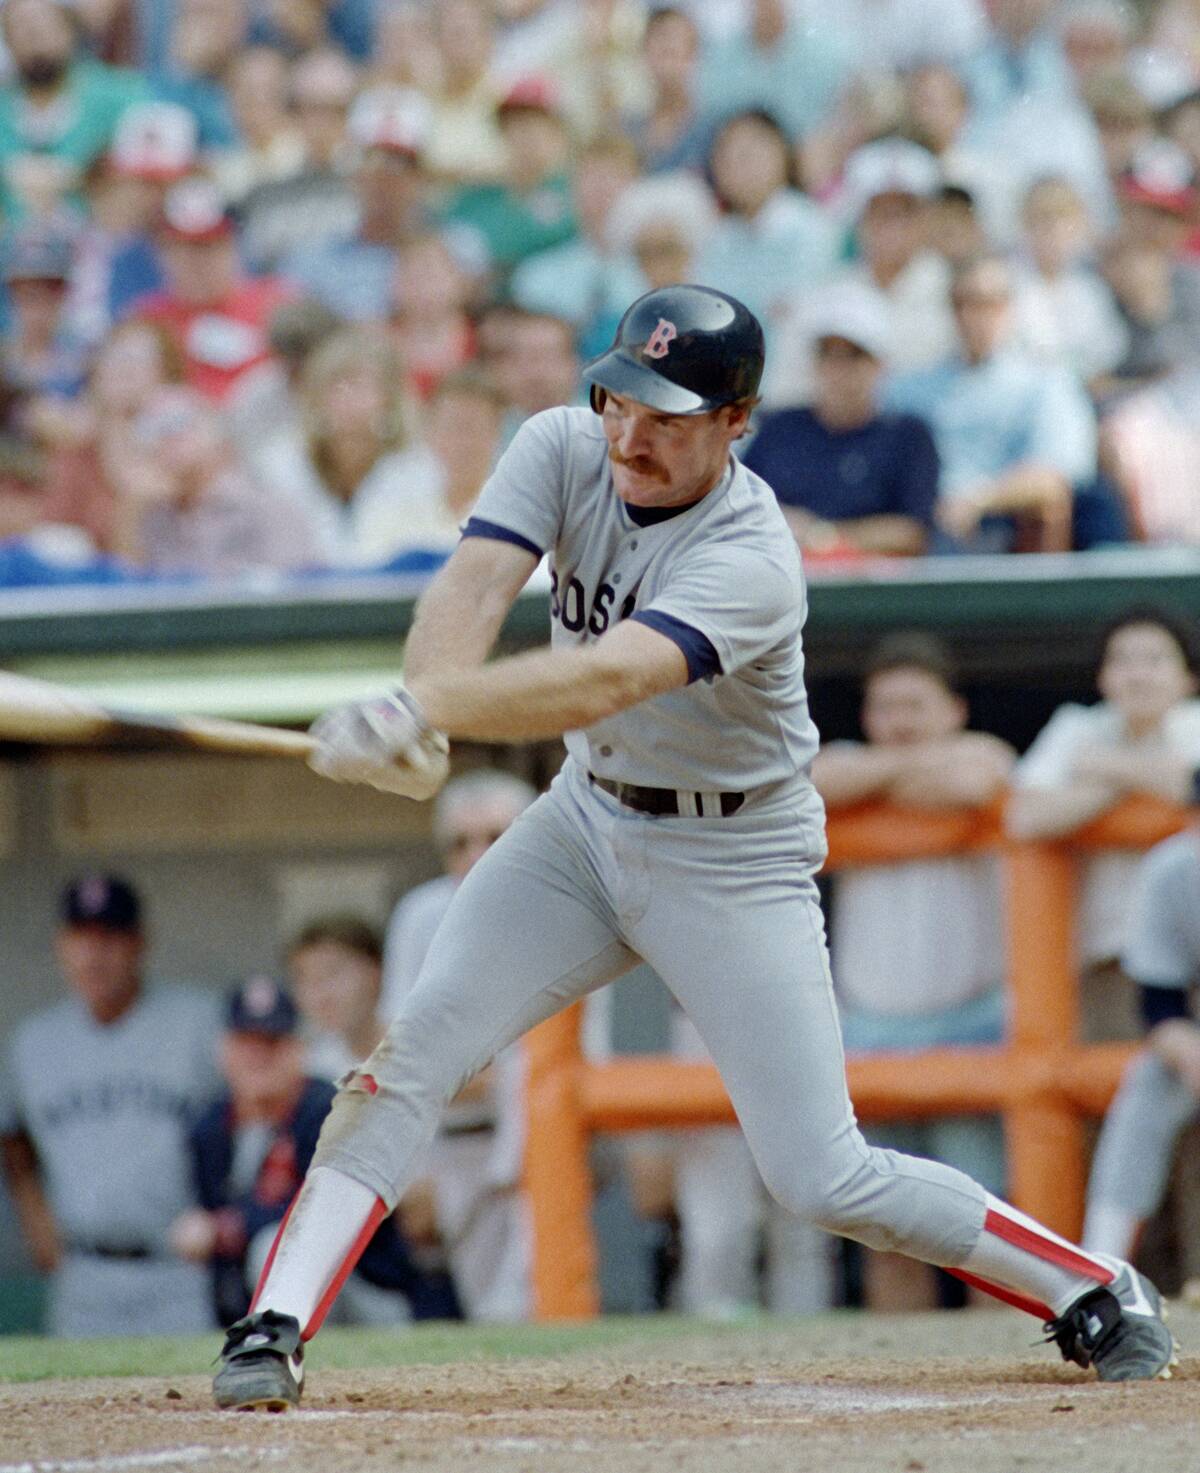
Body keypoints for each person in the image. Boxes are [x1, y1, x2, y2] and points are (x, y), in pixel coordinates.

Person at [211, 283, 1177, 1411]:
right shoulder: (561, 444)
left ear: (737, 421)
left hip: (735, 856)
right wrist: (421, 690)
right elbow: (476, 581)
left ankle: (1093, 1287)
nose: (632, 435)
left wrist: (437, 712)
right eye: (621, 399)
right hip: (585, 817)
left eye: (669, 416)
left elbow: (617, 669)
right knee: (406, 1059)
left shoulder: (756, 555)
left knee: (821, 1174)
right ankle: (272, 1328)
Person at [812, 633, 1015, 1310]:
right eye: (885, 706)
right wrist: (899, 770)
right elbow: (814, 779)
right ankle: (892, 1372)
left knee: (989, 1215)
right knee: (883, 1225)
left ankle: (1004, 1358)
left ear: (954, 708)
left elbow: (971, 780)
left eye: (915, 705)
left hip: (972, 1016)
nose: (899, 720)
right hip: (869, 1020)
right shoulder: (844, 759)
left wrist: (890, 775)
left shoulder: (982, 749)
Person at [0, 875, 220, 1336]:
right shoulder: (34, 1042)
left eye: (109, 938)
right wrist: (37, 1221)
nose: (94, 955)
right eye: (81, 938)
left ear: (140, 943)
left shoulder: (198, 1023)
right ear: (62, 945)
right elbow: (13, 1140)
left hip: (181, 1269)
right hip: (82, 1273)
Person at [174, 975, 457, 1328]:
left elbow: (319, 1213)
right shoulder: (211, 1126)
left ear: (298, 1049)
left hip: (370, 1295)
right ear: (224, 1049)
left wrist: (224, 1228)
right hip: (261, 1303)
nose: (258, 1056)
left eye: (272, 1042)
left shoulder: (331, 1109)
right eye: (247, 1042)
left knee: (272, 1248)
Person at [380, 770, 539, 1324]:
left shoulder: (568, 909)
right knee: (485, 1316)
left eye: (496, 836)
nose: (477, 854)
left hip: (543, 1140)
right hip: (451, 1145)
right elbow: (403, 1050)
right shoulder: (422, 915)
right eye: (460, 842)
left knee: (533, 1309)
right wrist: (410, 1171)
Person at [1007, 608, 1200, 1042]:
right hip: (1110, 966)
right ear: (1103, 677)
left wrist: (1106, 768)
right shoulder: (1078, 726)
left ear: (1187, 678)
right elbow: (1025, 817)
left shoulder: (1195, 723)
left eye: (1155, 660)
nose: (1138, 675)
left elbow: (1192, 784)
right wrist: (1132, 779)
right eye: (1123, 661)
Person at [888, 251, 1097, 552]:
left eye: (990, 302)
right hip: (919, 538)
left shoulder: (1047, 383)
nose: (975, 316)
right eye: (964, 302)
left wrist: (979, 500)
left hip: (1005, 536)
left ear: (1011, 307)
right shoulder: (909, 389)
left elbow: (1056, 476)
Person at [742, 284, 938, 558]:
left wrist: (821, 534)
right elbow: (739, 505)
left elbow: (913, 532)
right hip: (782, 581)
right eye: (827, 354)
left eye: (853, 355)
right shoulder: (780, 428)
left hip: (875, 593)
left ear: (879, 364)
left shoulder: (907, 435)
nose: (838, 369)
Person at [1082, 828, 1200, 1265]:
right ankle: (1099, 1266)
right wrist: (1190, 1057)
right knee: (1150, 1081)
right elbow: (1160, 1006)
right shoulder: (1174, 869)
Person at [133, 177, 294, 406]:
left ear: (232, 246)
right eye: (185, 248)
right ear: (163, 253)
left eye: (209, 246)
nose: (198, 261)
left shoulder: (279, 302)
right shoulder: (147, 320)